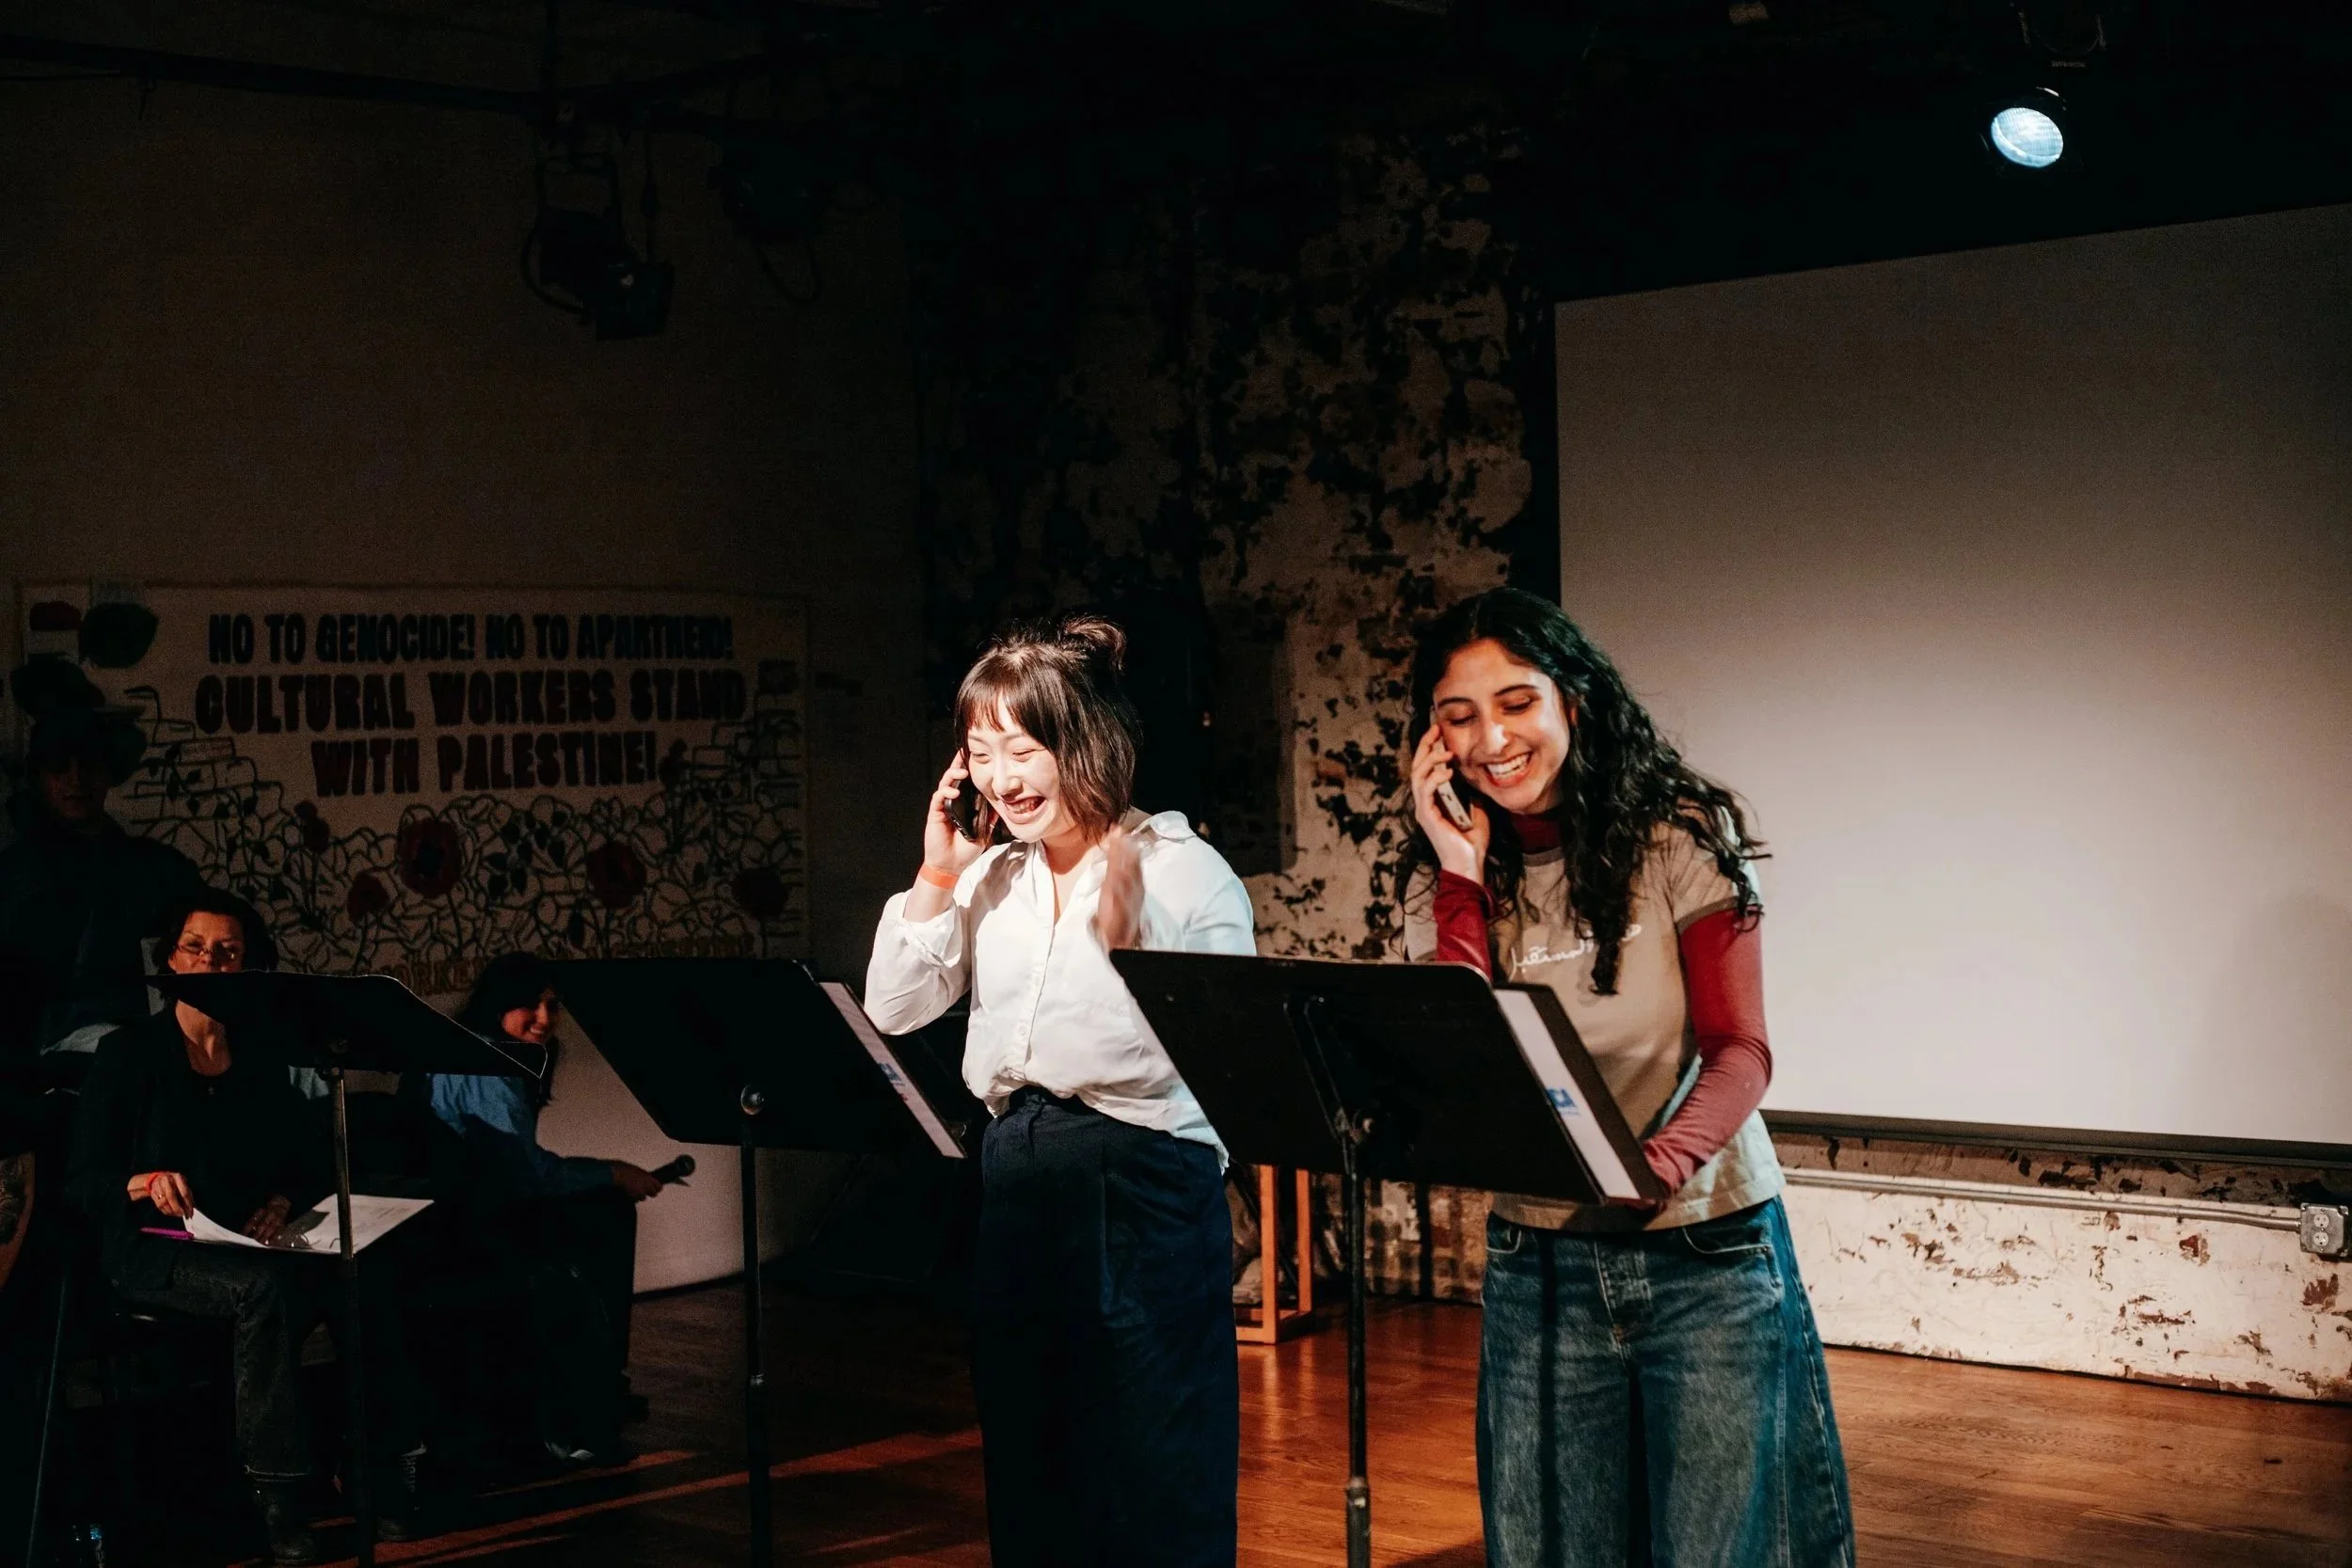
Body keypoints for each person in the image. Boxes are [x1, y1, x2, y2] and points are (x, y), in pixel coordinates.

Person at [1401, 587, 1853, 1568]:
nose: (1492, 737)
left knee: (1723, 1549)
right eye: (1459, 714)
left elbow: (1742, 1048)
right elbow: (1465, 1057)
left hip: (1707, 1253)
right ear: (1431, 740)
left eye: (1516, 700)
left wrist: (1654, 1165)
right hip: (1541, 1262)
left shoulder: (1679, 834)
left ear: (1574, 700)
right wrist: (1460, 876)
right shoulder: (1447, 875)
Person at [865, 614, 1256, 1567]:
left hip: (1142, 1180)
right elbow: (895, 1002)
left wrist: (1124, 914)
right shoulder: (990, 875)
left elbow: (1219, 1055)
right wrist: (936, 866)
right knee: (1032, 1455)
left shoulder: (1176, 865)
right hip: (1018, 1175)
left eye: (1025, 747)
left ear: (1088, 741)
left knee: (1155, 1460)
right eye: (981, 750)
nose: (1003, 777)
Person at [67, 888, 427, 1565]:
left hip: (240, 1239)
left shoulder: (258, 1055)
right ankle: (278, 1498)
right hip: (151, 1246)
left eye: (227, 952)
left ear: (248, 967)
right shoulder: (129, 1052)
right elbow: (82, 1180)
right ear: (170, 957)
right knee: (264, 1289)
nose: (209, 960)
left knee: (359, 1267)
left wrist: (283, 1199)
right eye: (195, 947)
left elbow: (299, 1155)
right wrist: (145, 1181)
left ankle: (380, 1472)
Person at [424, 953, 662, 1465]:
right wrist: (613, 1171)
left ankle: (595, 1389)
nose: (543, 1018)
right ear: (496, 1005)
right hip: (461, 1224)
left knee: (602, 1211)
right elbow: (526, 1175)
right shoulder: (483, 1059)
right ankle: (584, 1405)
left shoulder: (494, 1054)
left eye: (552, 1006)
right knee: (605, 1216)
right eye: (527, 1005)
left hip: (480, 1210)